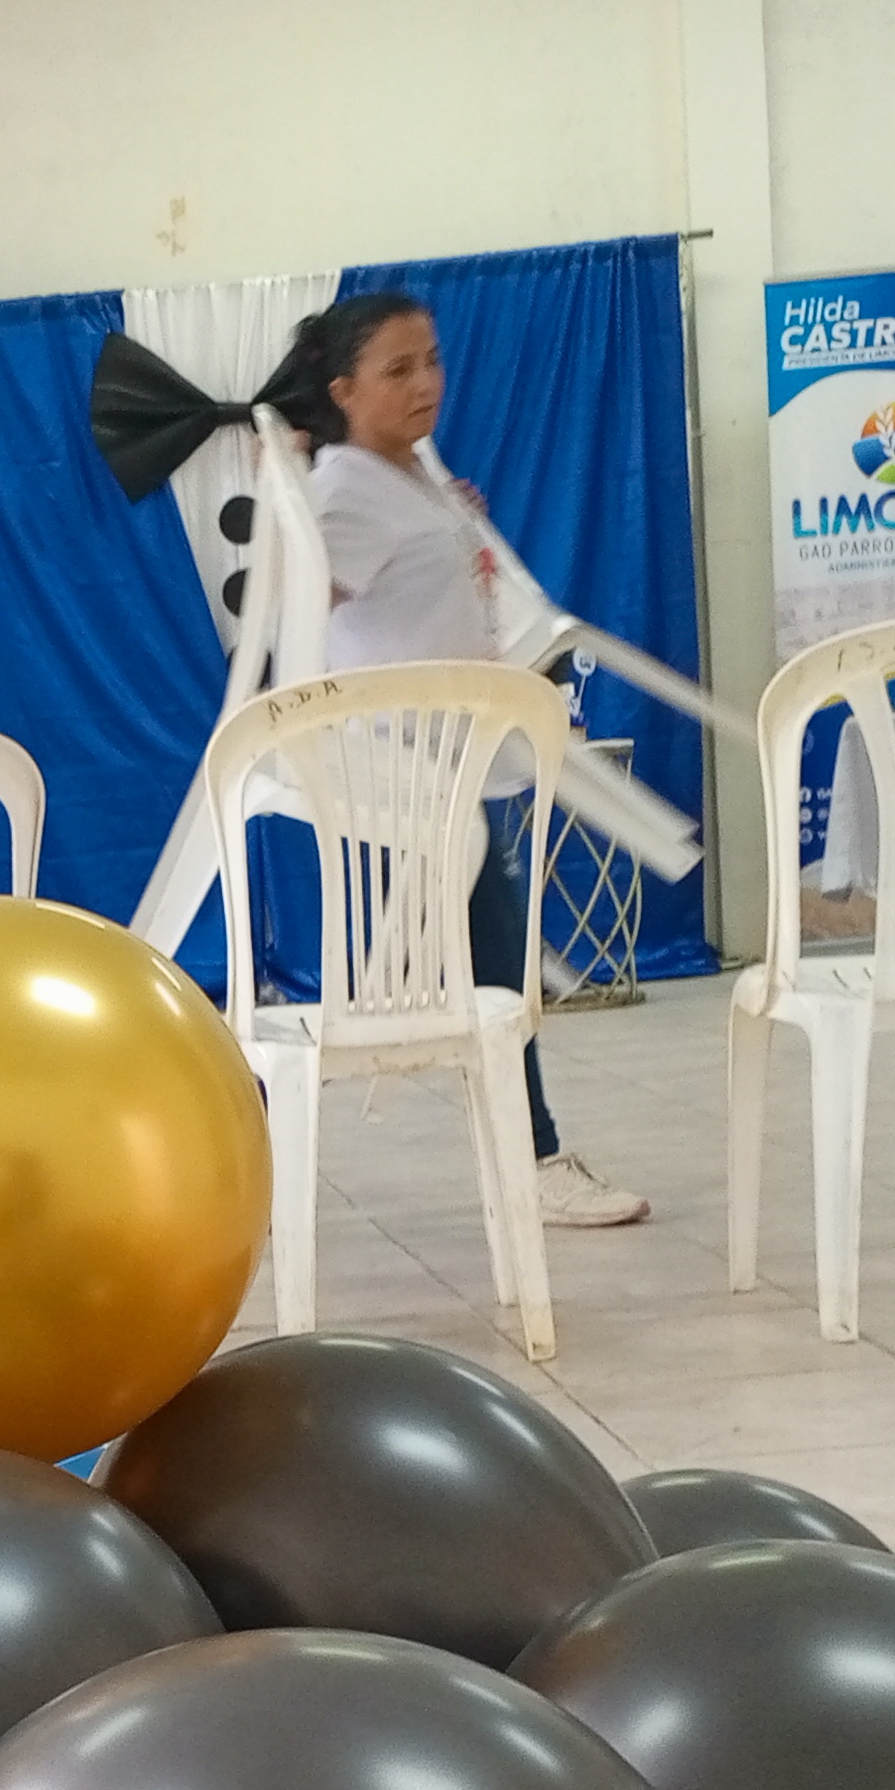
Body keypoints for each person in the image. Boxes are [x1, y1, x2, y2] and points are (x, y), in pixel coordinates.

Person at [274, 290, 649, 1227]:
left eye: (432, 360)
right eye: (398, 369)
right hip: (399, 779)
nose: (426, 383)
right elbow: (298, 609)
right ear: (345, 390)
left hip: (449, 769)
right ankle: (534, 1161)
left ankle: (528, 1158)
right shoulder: (348, 489)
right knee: (460, 982)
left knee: (463, 981)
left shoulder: (411, 470)